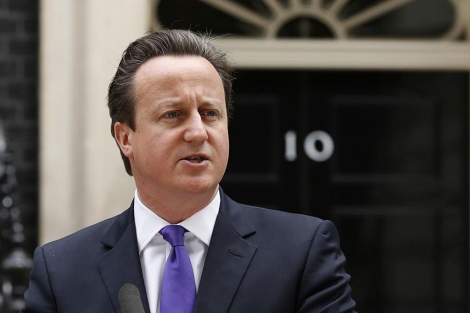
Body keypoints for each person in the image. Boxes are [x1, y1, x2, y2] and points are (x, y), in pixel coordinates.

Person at [22, 29, 357, 313]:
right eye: (173, 114)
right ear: (125, 137)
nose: (198, 132)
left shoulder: (301, 252)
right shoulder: (61, 269)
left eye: (210, 113)